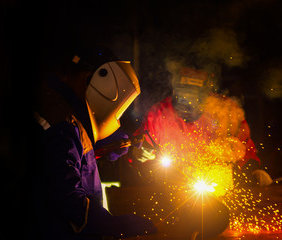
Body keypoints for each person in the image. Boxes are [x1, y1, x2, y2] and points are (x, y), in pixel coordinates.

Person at [18, 45, 157, 240]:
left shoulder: (62, 111)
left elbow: (66, 159)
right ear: (90, 80)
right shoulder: (63, 125)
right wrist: (111, 224)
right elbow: (66, 194)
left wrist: (102, 148)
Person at [132, 66, 272, 189]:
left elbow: (246, 149)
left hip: (219, 188)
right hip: (171, 191)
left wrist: (252, 171)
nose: (188, 102)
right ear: (175, 91)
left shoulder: (227, 111)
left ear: (206, 93)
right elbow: (137, 150)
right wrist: (139, 154)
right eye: (183, 95)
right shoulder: (159, 114)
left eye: (194, 96)